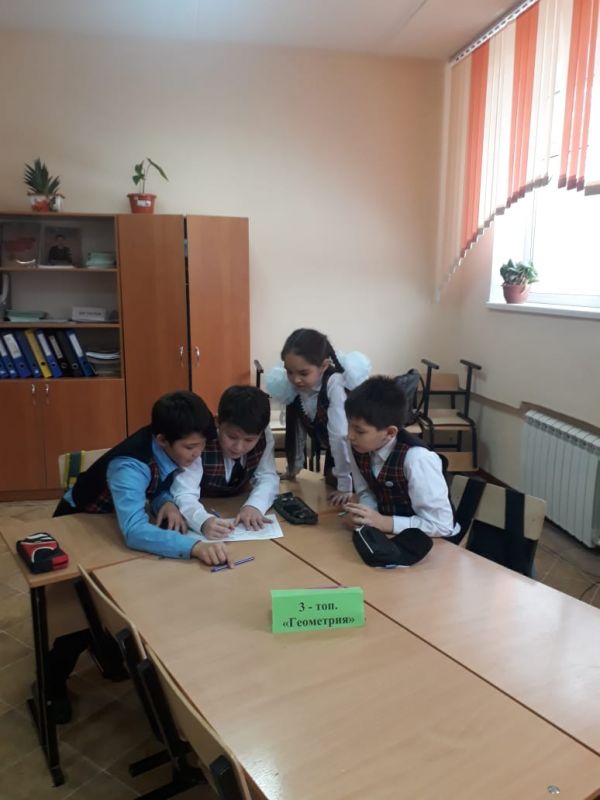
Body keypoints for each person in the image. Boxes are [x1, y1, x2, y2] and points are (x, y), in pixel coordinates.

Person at [48, 390, 231, 723]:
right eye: (190, 448)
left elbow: (156, 485)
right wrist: (194, 547)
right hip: (78, 526)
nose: (197, 455)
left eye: (202, 446)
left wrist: (166, 502)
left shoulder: (165, 448)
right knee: (78, 609)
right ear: (162, 439)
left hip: (109, 525)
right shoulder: (129, 465)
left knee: (138, 589)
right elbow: (133, 531)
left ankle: (109, 648)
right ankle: (51, 685)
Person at [343, 376, 459, 537]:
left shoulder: (417, 459)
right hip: (389, 534)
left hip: (433, 539)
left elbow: (442, 525)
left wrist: (384, 522)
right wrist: (364, 515)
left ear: (390, 432)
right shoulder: (359, 446)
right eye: (348, 425)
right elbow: (366, 491)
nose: (349, 435)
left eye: (359, 431)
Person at [266, 328, 369, 506]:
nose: (295, 379)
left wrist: (345, 484)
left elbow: (340, 436)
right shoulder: (295, 388)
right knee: (329, 489)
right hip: (337, 453)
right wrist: (293, 468)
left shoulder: (335, 383)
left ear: (324, 366)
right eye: (289, 372)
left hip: (360, 453)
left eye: (303, 373)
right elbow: (296, 429)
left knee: (355, 498)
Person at [171, 385, 279, 536]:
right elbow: (184, 492)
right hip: (205, 505)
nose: (238, 447)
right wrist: (202, 520)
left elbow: (267, 476)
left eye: (249, 440)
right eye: (232, 437)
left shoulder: (264, 437)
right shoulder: (200, 440)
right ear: (218, 422)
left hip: (235, 504)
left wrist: (255, 506)